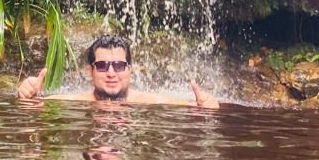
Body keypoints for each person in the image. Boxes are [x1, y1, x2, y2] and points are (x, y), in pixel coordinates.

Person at [16, 32, 219, 108]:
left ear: (129, 70)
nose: (111, 73)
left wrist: (208, 105)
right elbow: (36, 102)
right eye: (103, 65)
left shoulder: (151, 102)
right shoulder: (74, 101)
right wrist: (25, 94)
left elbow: (194, 106)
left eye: (119, 65)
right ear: (91, 71)